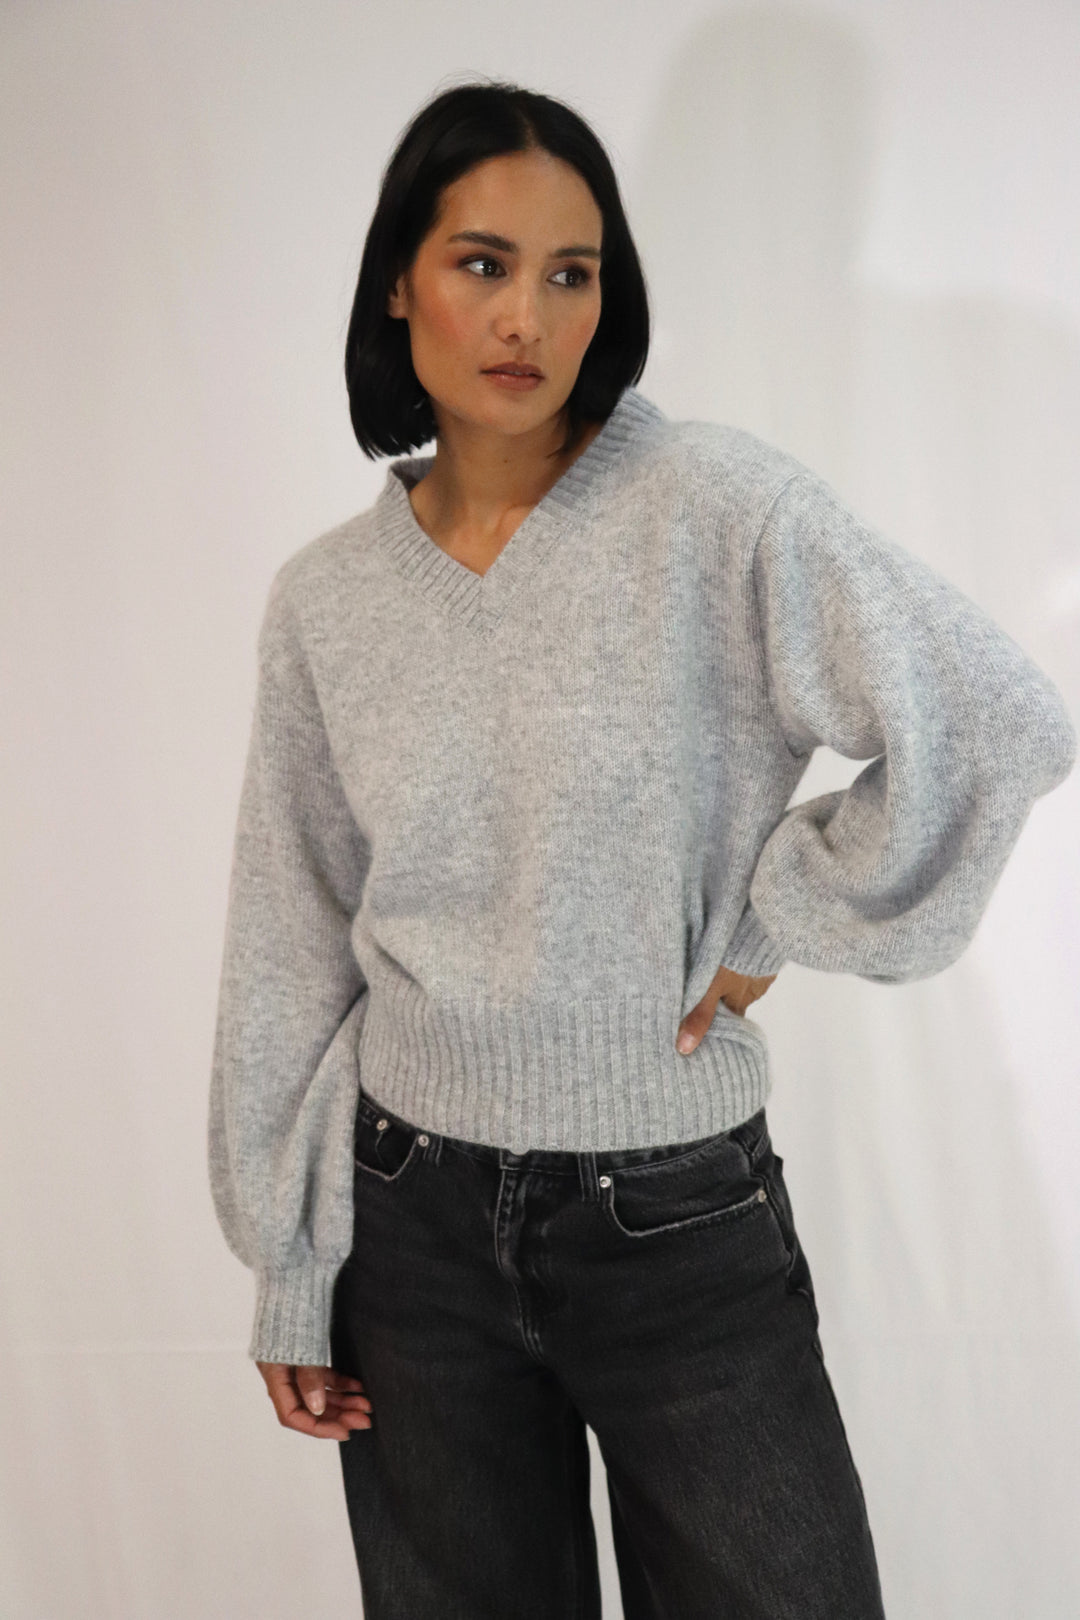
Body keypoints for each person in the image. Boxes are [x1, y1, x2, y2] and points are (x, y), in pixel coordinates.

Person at [207, 80, 1077, 1620]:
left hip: (673, 1217)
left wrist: (771, 921)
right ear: (399, 280)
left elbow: (993, 717)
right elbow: (292, 930)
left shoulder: (715, 510)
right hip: (407, 1231)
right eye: (482, 264)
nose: (525, 316)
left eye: (572, 272)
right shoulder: (326, 600)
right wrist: (292, 1261)